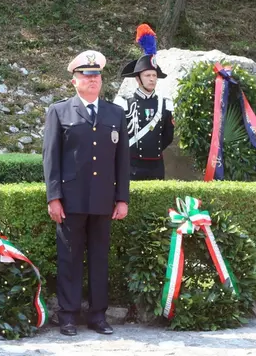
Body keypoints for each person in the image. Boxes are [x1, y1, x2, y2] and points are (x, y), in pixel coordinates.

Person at [42, 50, 130, 336]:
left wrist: (122, 198)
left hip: (103, 199)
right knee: (69, 258)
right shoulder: (59, 111)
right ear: (74, 81)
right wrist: (53, 197)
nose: (93, 80)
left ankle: (98, 315)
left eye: (96, 75)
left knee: (99, 258)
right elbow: (51, 158)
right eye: (86, 75)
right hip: (71, 200)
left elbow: (122, 161)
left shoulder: (115, 113)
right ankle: (68, 315)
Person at [114, 24, 174, 180]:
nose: (152, 79)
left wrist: (152, 147)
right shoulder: (123, 103)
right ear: (137, 78)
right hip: (131, 166)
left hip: (156, 166)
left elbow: (168, 135)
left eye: (154, 75)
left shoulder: (165, 104)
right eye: (147, 75)